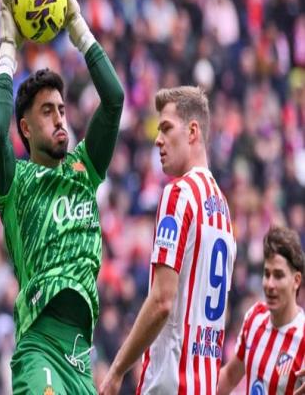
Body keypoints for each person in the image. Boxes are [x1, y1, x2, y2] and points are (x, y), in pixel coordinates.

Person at [0, 0, 124, 394]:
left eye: (62, 109)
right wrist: (8, 45)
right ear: (26, 128)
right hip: (39, 348)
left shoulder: (85, 170)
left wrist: (77, 25)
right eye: (47, 111)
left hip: (82, 358)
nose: (60, 118)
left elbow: (114, 99)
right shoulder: (16, 184)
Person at [100, 86, 237, 394]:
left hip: (170, 383)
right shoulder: (223, 208)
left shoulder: (178, 194)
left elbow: (162, 301)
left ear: (192, 131)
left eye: (166, 128)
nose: (157, 139)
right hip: (204, 384)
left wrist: (117, 370)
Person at [218, 225, 305, 395]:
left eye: (278, 275)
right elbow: (229, 376)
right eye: (267, 274)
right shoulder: (255, 317)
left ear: (296, 281)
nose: (270, 284)